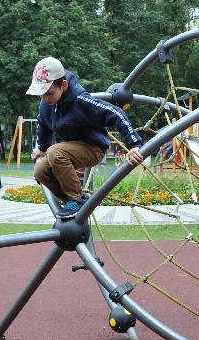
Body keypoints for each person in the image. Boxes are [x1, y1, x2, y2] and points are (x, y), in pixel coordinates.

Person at [28, 57, 144, 219]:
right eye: (41, 94)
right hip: (67, 149)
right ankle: (72, 199)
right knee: (40, 171)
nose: (45, 98)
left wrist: (133, 145)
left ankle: (77, 199)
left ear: (63, 86)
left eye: (49, 93)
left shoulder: (81, 101)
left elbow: (117, 113)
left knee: (55, 152)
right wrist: (42, 147)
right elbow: (43, 124)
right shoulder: (46, 105)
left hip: (93, 148)